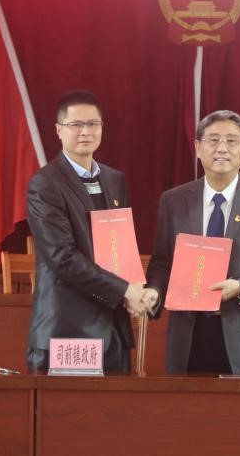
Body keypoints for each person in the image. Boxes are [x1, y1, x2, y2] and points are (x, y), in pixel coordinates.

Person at [144, 110, 240, 375]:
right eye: (213, 140)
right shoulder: (174, 201)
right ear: (198, 147)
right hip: (190, 340)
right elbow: (162, 263)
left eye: (231, 141)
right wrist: (154, 291)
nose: (221, 148)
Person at [26, 90, 151, 372]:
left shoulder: (115, 180)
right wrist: (125, 291)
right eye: (76, 124)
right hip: (69, 330)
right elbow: (62, 258)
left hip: (115, 329)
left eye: (93, 124)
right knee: (72, 402)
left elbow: (121, 247)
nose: (85, 131)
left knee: (114, 402)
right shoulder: (45, 184)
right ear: (59, 130)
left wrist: (134, 290)